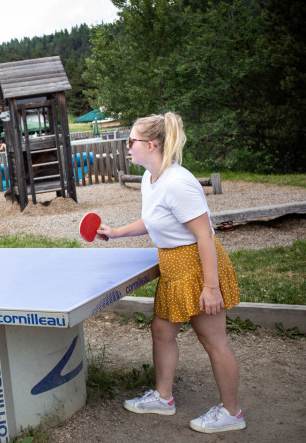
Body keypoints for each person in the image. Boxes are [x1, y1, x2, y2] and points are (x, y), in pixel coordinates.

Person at [97, 112, 245, 434]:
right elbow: (153, 220)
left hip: (196, 265)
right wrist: (117, 232)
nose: (127, 145)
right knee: (162, 331)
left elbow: (205, 236)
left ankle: (232, 413)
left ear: (150, 145)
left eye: (131, 140)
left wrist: (211, 288)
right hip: (173, 266)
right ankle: (164, 398)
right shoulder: (150, 179)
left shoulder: (178, 183)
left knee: (213, 340)